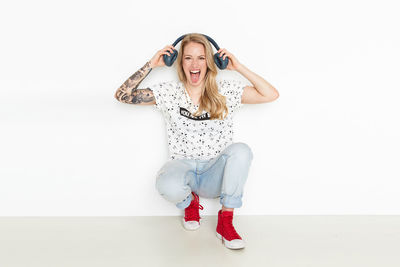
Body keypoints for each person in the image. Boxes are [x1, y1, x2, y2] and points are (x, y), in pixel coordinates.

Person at [114, 33, 279, 250]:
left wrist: (238, 67)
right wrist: (151, 64)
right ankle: (190, 203)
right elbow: (123, 95)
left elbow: (270, 94)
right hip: (183, 168)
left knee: (242, 151)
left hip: (214, 173)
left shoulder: (226, 91)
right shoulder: (169, 92)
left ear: (211, 63)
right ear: (179, 62)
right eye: (188, 58)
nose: (194, 64)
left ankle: (226, 221)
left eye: (201, 58)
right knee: (166, 183)